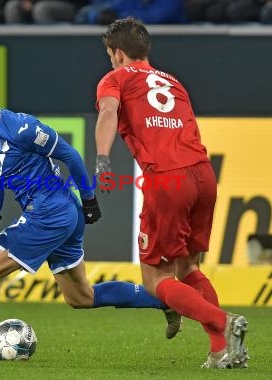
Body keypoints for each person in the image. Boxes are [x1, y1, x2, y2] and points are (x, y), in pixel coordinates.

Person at [0, 68, 181, 365]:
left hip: (50, 213)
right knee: (80, 297)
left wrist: (89, 199)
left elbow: (68, 154)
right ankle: (165, 299)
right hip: (57, 215)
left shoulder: (22, 128)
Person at [93, 18, 249, 369]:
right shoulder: (173, 81)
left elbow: (107, 112)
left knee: (154, 278)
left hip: (168, 180)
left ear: (118, 54)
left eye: (109, 55)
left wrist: (103, 157)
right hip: (204, 175)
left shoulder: (115, 79)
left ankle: (225, 322)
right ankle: (221, 350)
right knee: (188, 265)